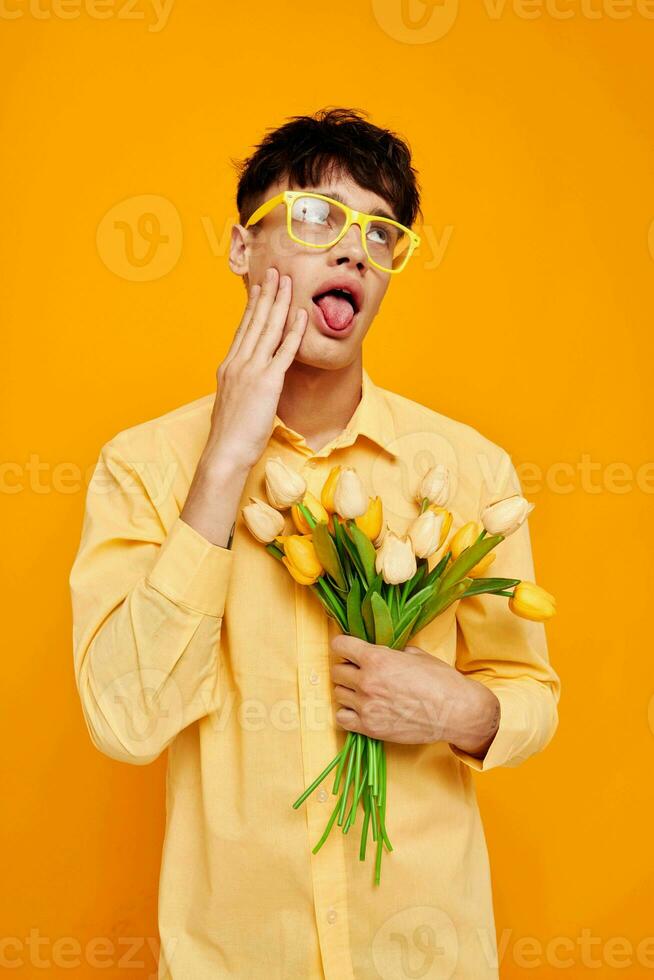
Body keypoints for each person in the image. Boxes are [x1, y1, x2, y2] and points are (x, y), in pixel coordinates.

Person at [69, 106, 560, 979]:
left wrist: (463, 711)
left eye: (380, 234)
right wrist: (223, 466)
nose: (351, 251)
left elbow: (526, 688)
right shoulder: (143, 467)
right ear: (239, 248)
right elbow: (126, 724)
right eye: (315, 218)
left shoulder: (468, 468)